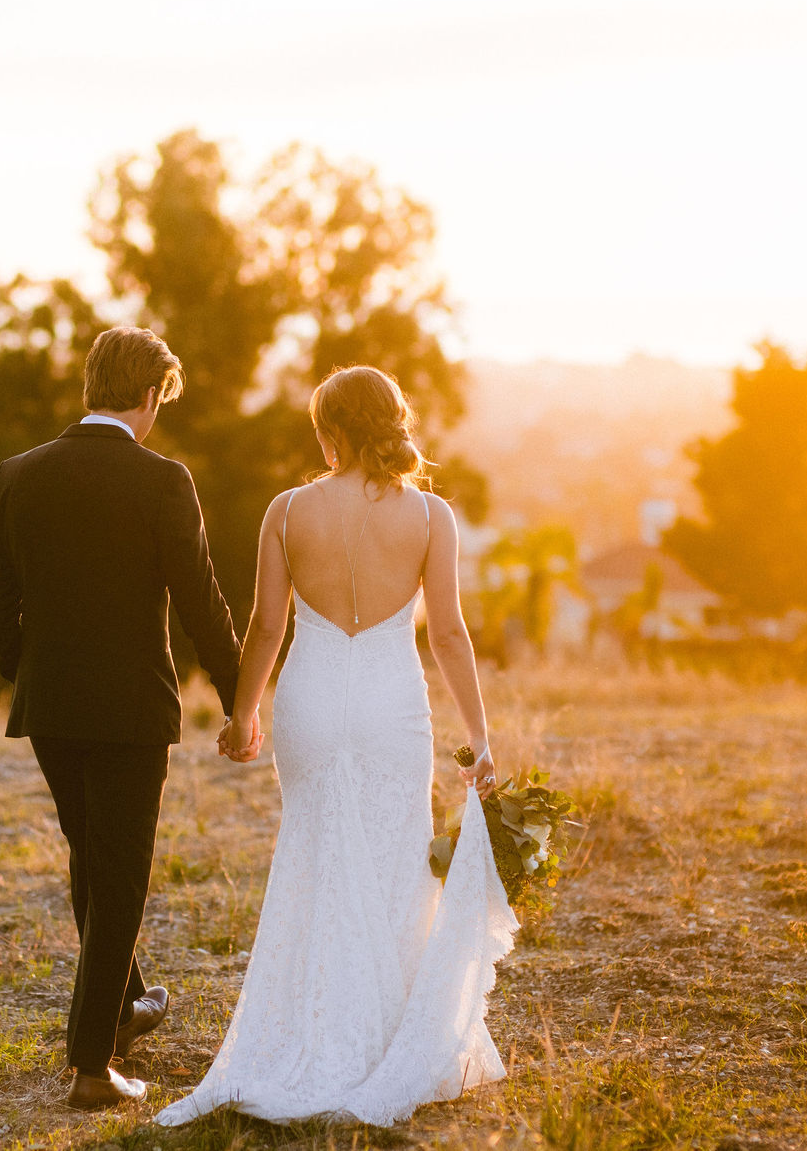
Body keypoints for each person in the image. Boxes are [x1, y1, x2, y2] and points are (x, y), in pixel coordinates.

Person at [158, 365, 517, 1128]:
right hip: (392, 708)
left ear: (334, 432)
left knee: (315, 856)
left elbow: (266, 626)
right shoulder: (432, 516)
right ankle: (387, 1039)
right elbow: (449, 634)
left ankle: (312, 1032)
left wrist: (242, 714)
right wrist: (480, 737)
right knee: (396, 860)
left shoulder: (288, 511)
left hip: (312, 702)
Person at [0, 326, 250, 1111]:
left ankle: (126, 1007)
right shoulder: (163, 480)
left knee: (92, 861)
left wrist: (31, 670)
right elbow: (200, 601)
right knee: (119, 879)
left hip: (50, 708)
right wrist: (240, 698)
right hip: (131, 712)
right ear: (150, 394)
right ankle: (93, 1067)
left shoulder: (17, 472)